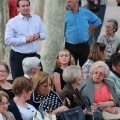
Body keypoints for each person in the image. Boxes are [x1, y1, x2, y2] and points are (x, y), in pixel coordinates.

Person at [5, 0, 46, 80]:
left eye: (27, 5)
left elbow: (44, 34)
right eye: (23, 6)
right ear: (18, 8)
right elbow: (8, 40)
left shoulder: (37, 19)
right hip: (19, 56)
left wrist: (38, 35)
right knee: (20, 81)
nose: (26, 8)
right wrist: (25, 39)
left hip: (34, 56)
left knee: (39, 80)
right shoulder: (12, 22)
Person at [65, 0, 102, 67]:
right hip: (70, 46)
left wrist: (88, 30)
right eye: (67, 2)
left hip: (84, 46)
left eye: (69, 1)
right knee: (71, 67)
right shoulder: (65, 14)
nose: (67, 4)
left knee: (86, 67)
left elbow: (97, 21)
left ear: (76, 2)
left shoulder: (85, 12)